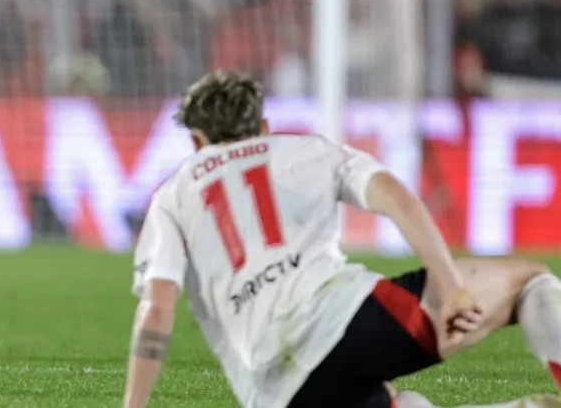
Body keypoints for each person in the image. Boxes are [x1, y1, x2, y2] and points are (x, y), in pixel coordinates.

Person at [122, 70, 561, 408]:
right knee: (529, 280)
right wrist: (451, 287)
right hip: (349, 322)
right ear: (264, 124)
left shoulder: (172, 195)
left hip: (277, 393)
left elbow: (157, 308)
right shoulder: (305, 150)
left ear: (197, 140)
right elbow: (394, 197)